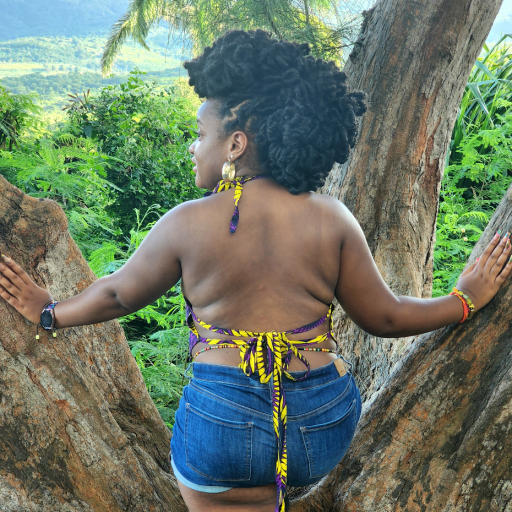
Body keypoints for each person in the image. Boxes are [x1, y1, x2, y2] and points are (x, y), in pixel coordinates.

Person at [0, 29, 510, 512]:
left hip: (223, 426)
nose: (192, 146)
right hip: (321, 426)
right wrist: (465, 298)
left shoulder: (187, 223)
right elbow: (388, 317)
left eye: (200, 134)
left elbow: (116, 296)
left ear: (236, 145)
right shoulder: (331, 217)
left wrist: (48, 312)